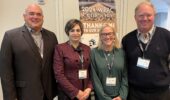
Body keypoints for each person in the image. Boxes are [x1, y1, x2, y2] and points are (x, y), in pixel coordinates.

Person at [0, 4, 58, 100]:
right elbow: (5, 71)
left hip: (47, 94)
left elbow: (55, 64)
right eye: (31, 14)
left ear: (43, 18)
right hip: (23, 94)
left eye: (38, 14)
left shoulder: (51, 36)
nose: (35, 17)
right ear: (24, 16)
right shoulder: (10, 36)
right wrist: (11, 97)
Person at [122, 1, 170, 100]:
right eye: (141, 15)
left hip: (161, 93)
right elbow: (124, 67)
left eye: (149, 15)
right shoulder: (127, 39)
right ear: (135, 17)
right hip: (134, 93)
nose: (145, 18)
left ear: (154, 16)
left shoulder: (167, 36)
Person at [53, 19, 93, 100]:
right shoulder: (60, 48)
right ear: (68, 32)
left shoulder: (87, 48)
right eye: (72, 30)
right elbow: (59, 74)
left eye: (78, 30)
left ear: (81, 32)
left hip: (85, 94)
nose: (75, 33)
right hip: (67, 94)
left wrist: (89, 89)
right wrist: (76, 92)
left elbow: (92, 71)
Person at [90, 24, 128, 100]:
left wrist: (122, 96)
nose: (107, 37)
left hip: (119, 97)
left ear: (114, 35)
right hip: (101, 97)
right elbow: (95, 79)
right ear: (100, 36)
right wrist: (105, 98)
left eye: (110, 33)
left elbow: (125, 76)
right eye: (104, 34)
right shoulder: (94, 53)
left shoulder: (121, 53)